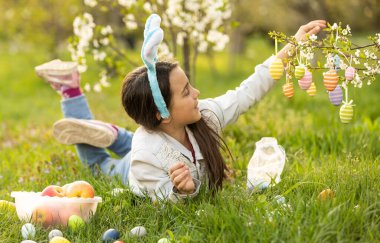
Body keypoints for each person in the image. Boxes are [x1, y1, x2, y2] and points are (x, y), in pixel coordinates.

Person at [37, 15, 326, 202]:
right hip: (136, 164)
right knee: (100, 165)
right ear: (162, 112)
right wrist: (180, 191)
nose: (197, 93)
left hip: (155, 132)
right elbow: (162, 201)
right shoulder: (144, 159)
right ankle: (70, 88)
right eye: (187, 91)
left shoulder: (205, 115)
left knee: (133, 140)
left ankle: (116, 135)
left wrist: (292, 46)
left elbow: (247, 92)